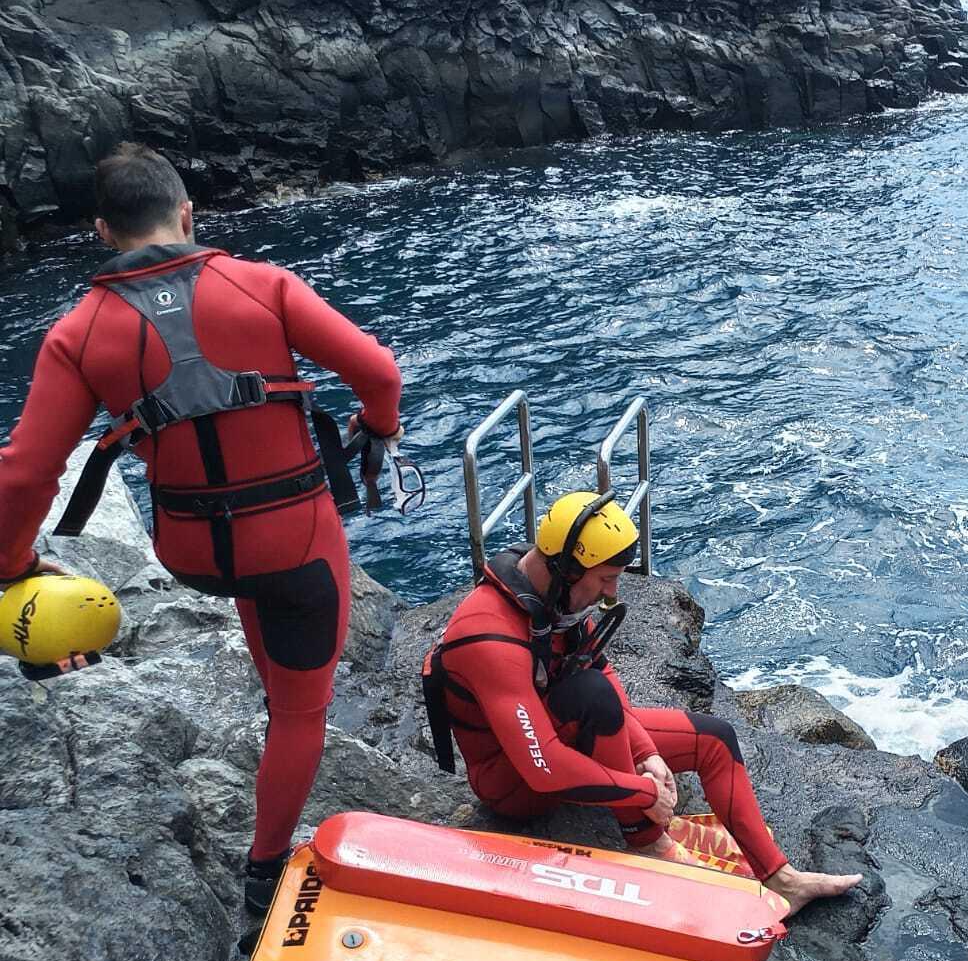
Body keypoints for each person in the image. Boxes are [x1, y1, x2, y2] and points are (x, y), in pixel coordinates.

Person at [0, 143, 403, 914]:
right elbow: (379, 374)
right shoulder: (263, 286)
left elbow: (22, 474)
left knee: (249, 585)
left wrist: (16, 562)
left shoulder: (75, 335)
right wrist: (377, 425)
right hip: (293, 546)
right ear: (187, 214)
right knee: (298, 711)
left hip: (189, 552)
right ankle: (262, 870)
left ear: (102, 231)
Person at [424, 489, 862, 915]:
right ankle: (650, 844)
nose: (611, 594)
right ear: (568, 569)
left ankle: (782, 879)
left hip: (563, 737)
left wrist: (647, 755)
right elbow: (544, 769)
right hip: (515, 784)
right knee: (590, 696)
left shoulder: (554, 597)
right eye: (606, 580)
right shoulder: (488, 634)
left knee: (716, 739)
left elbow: (603, 675)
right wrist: (643, 793)